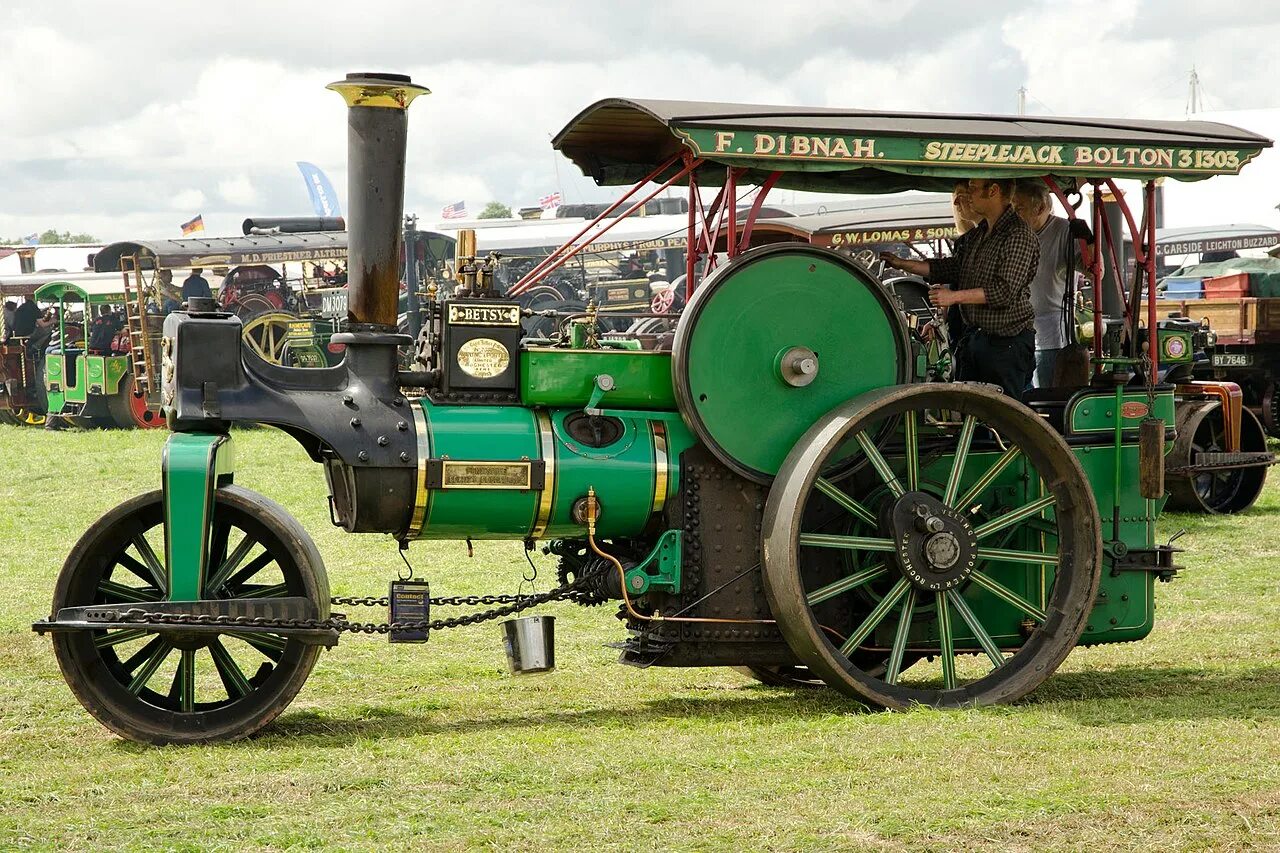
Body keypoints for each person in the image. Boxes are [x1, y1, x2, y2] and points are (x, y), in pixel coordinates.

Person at [881, 178, 1038, 400]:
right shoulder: (977, 236)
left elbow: (1003, 292)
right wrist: (904, 264)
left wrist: (953, 297)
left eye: (973, 189)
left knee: (1003, 414)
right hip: (975, 339)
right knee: (971, 409)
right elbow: (952, 268)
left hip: (1006, 344)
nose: (967, 196)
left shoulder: (1018, 235)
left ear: (993, 191)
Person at [1011, 181, 1093, 388]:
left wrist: (1088, 240)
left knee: (1047, 397)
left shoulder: (1064, 231)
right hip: (1017, 333)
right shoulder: (1016, 234)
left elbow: (1095, 270)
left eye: (1018, 208)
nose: (1013, 214)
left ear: (1039, 208)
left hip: (1051, 336)